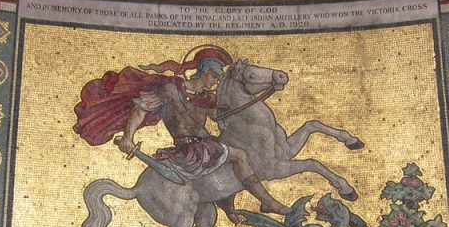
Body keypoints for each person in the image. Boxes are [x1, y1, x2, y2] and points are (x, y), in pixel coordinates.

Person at [73, 47, 288, 217]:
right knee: (239, 156)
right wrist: (129, 137)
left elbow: (219, 115)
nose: (215, 82)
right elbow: (140, 110)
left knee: (231, 158)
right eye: (214, 77)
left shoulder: (206, 98)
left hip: (206, 144)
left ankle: (226, 204)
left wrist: (262, 92)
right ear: (205, 72)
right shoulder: (170, 90)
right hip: (189, 149)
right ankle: (268, 203)